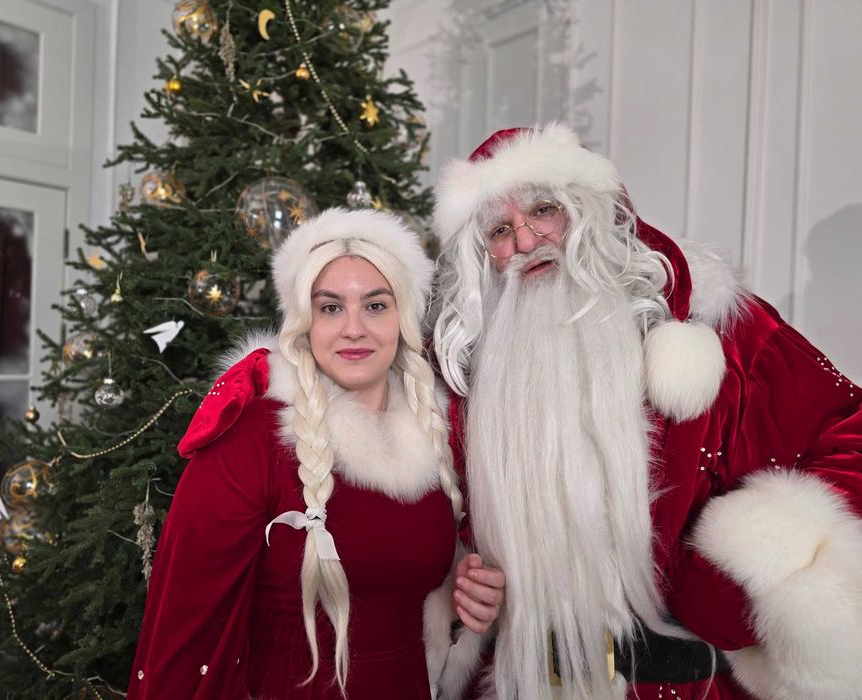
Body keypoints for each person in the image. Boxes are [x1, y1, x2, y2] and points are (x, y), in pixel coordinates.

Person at [430, 123, 862, 700]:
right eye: (500, 230)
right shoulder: (468, 386)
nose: (527, 241)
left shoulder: (718, 329)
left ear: (586, 212)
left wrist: (752, 563)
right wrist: (469, 582)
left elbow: (850, 428)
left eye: (544, 210)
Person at [127, 207, 505, 699]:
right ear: (304, 322)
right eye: (330, 308)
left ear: (404, 317)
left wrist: (463, 597)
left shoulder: (441, 433)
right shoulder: (252, 438)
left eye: (375, 305)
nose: (354, 328)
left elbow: (406, 588)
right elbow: (187, 634)